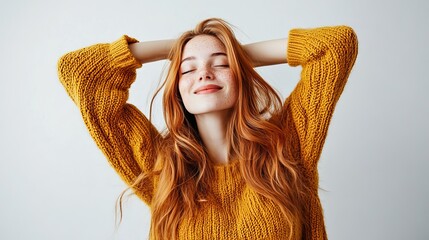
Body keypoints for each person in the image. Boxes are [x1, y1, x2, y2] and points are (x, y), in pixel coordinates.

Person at [57, 18, 358, 240]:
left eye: (221, 64)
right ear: (177, 88)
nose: (204, 73)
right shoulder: (162, 167)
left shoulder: (287, 148)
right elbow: (80, 71)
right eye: (188, 69)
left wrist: (238, 56)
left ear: (241, 76)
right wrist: (174, 49)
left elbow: (334, 45)